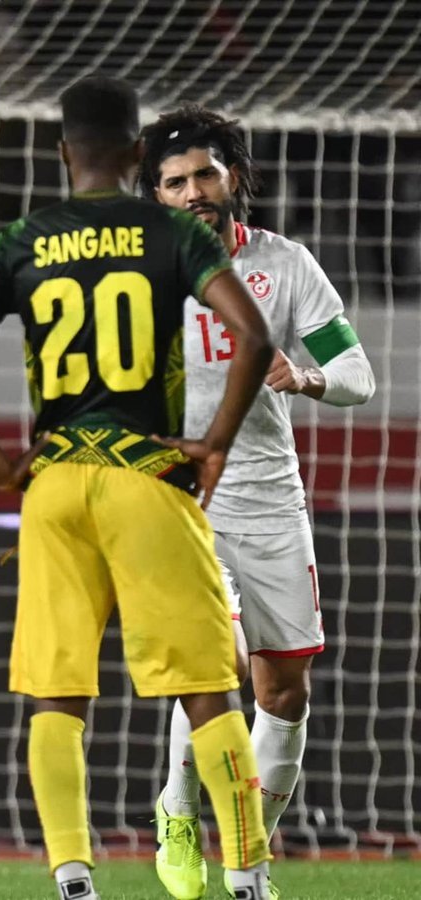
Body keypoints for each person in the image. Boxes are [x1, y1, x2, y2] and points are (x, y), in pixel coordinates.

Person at [0, 75, 276, 900]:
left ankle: (74, 878)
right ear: (140, 152)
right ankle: (248, 877)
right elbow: (252, 337)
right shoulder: (173, 231)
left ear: (61, 151)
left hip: (55, 487)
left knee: (56, 692)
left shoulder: (22, 240)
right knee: (207, 688)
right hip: (146, 475)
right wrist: (214, 445)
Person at [139, 103, 375, 900]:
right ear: (157, 194)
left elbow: (357, 374)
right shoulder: (143, 270)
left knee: (285, 693)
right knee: (216, 665)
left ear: (233, 176)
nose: (194, 191)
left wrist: (306, 376)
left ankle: (247, 857)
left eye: (205, 174)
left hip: (271, 497)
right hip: (182, 500)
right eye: (175, 181)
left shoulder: (285, 264)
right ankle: (183, 815)